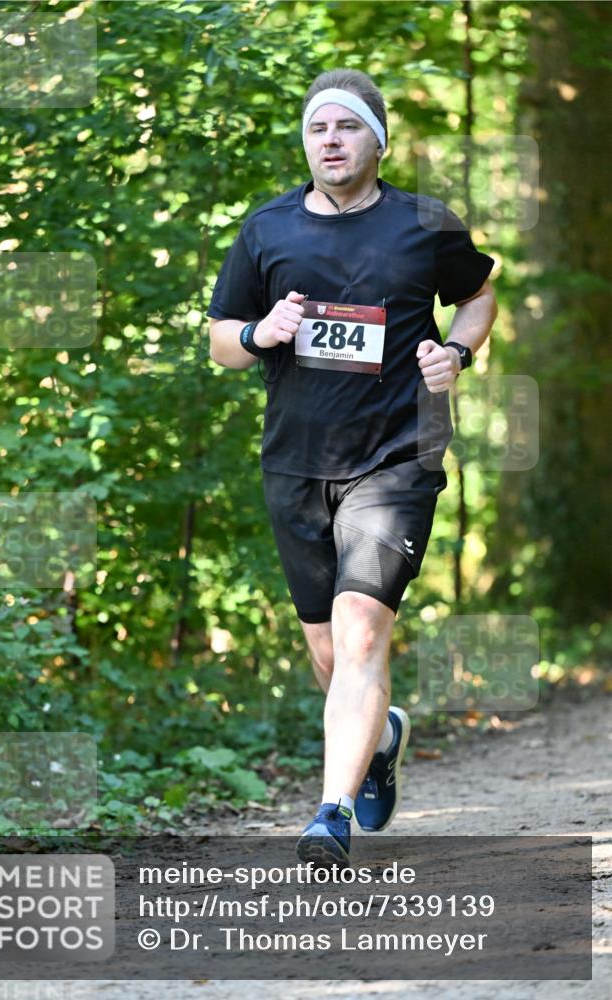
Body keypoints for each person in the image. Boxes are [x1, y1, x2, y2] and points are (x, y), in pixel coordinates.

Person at [207, 69, 497, 865]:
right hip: (296, 464)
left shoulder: (424, 223)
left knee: (362, 627)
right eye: (316, 129)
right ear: (305, 142)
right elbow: (220, 343)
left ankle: (327, 814)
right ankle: (378, 738)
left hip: (396, 455)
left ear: (377, 138)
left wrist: (457, 352)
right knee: (329, 654)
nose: (329, 140)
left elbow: (477, 296)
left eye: (346, 127)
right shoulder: (266, 230)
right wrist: (262, 332)